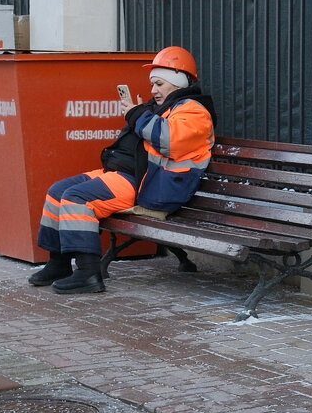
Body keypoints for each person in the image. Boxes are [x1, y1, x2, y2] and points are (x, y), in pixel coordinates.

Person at [28, 46, 216, 295]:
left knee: (76, 199)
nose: (153, 90)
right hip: (127, 174)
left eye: (159, 84)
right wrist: (140, 114)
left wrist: (136, 114)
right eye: (152, 84)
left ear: (178, 82)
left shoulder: (193, 110)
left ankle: (88, 273)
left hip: (146, 184)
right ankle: (58, 263)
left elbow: (169, 140)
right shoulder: (166, 107)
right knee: (57, 191)